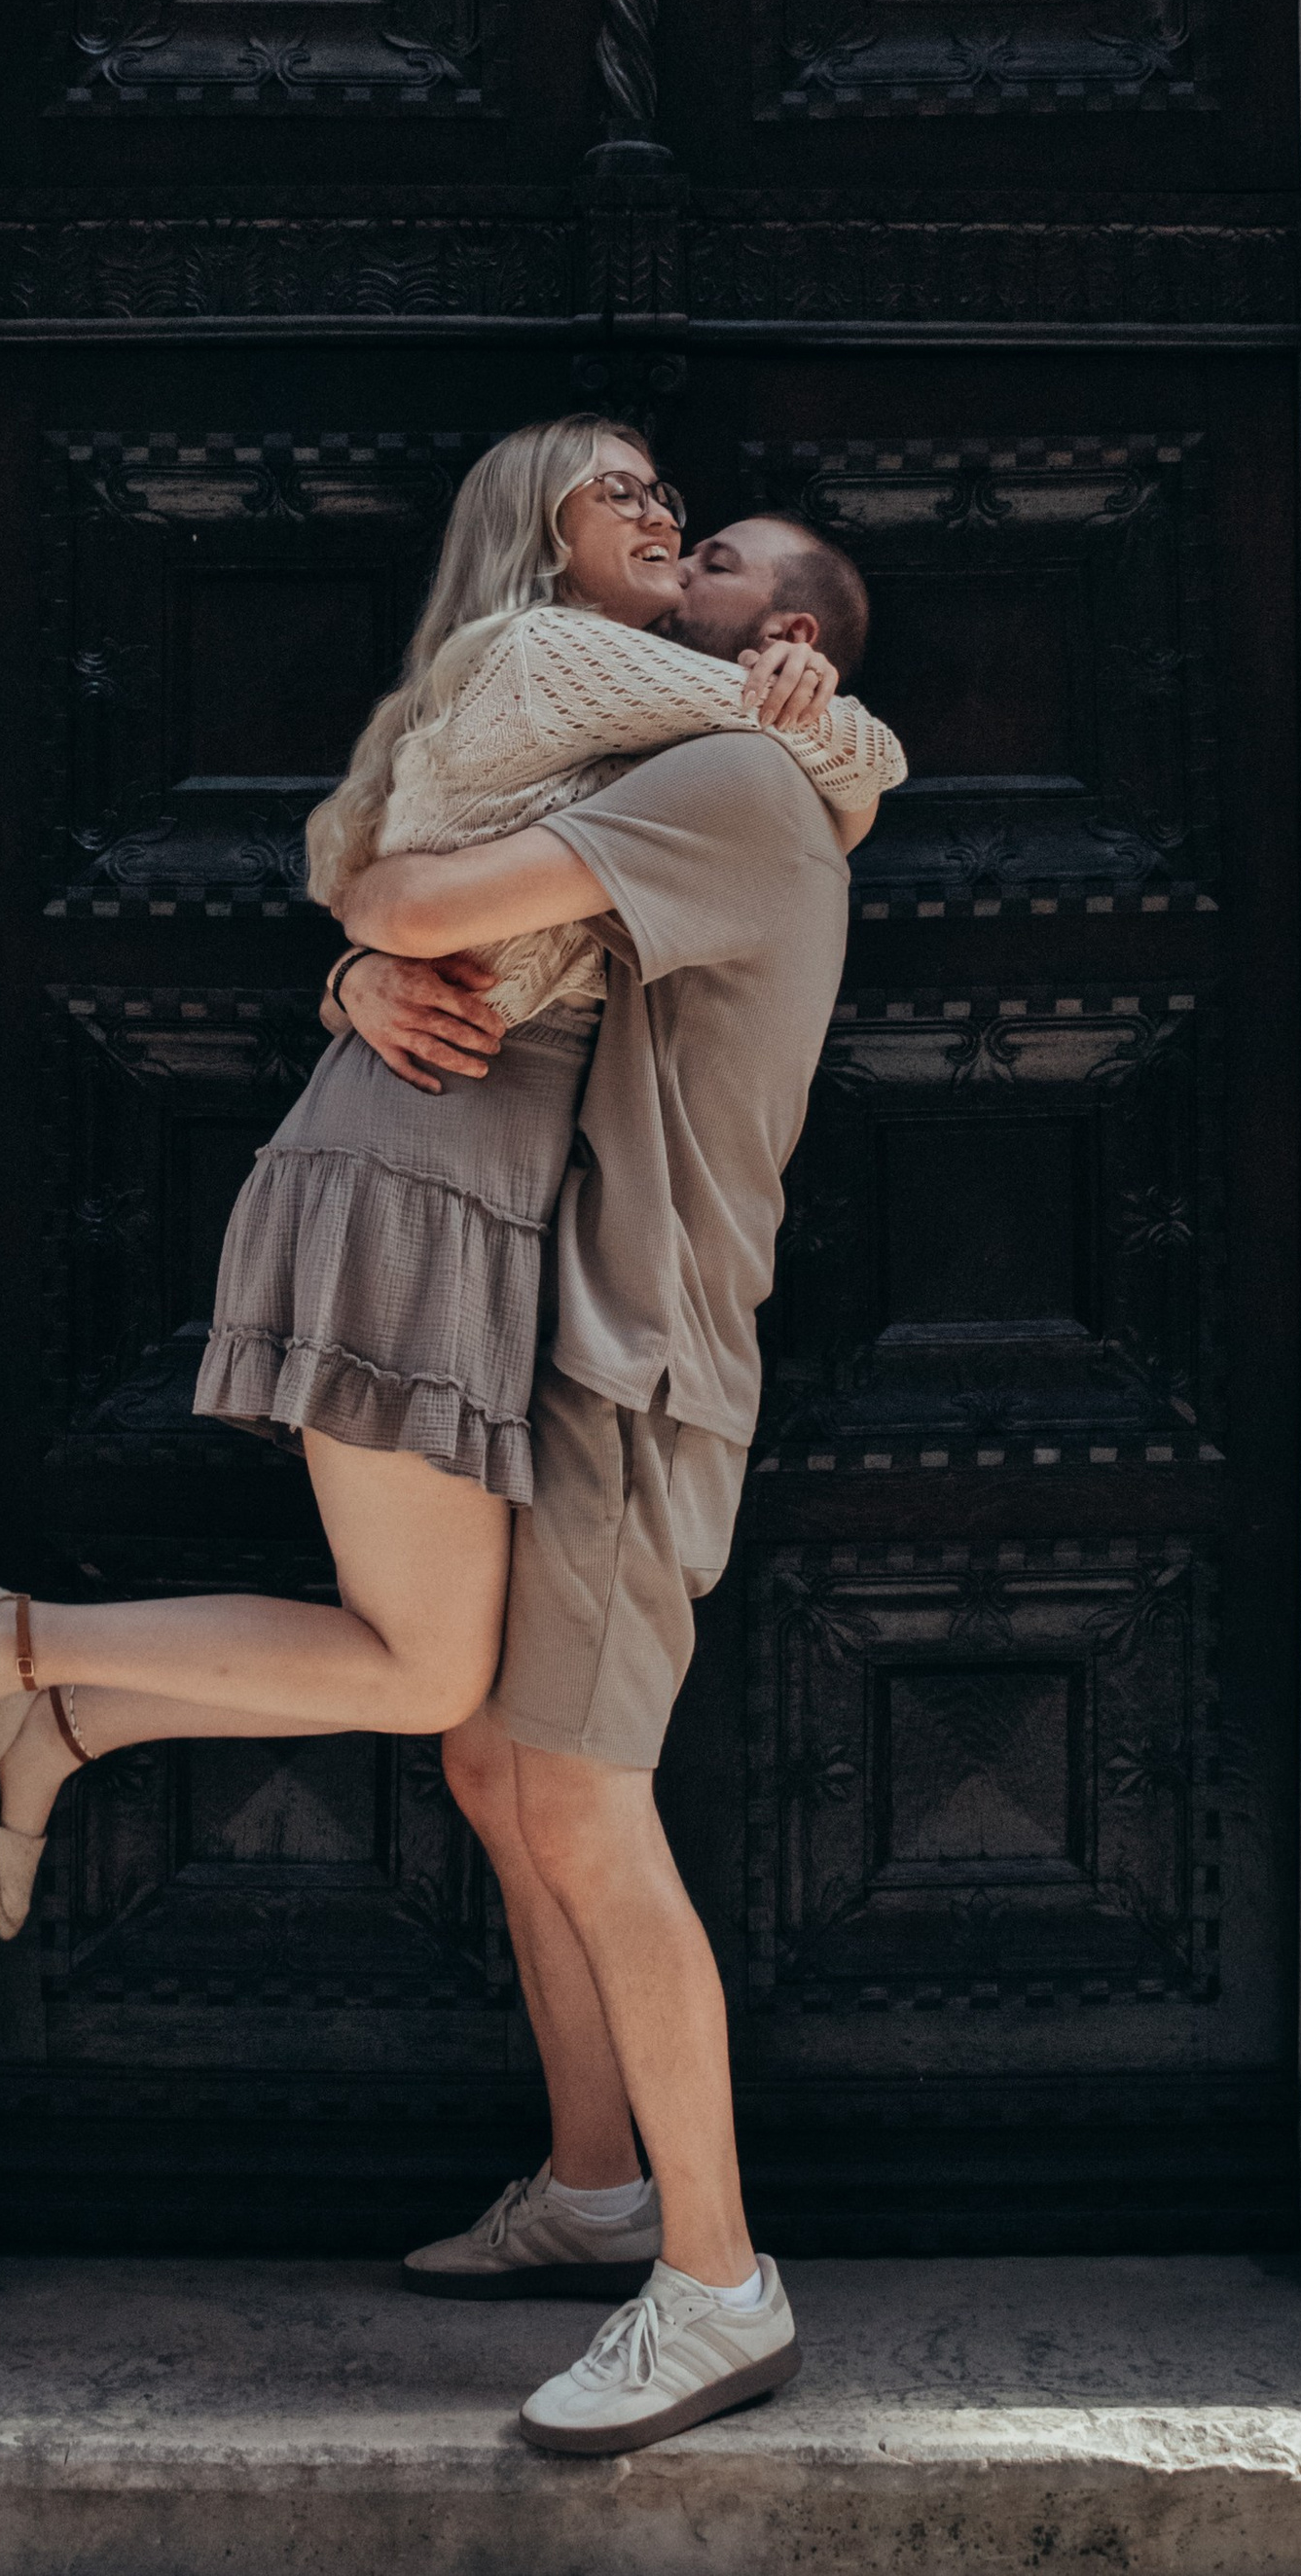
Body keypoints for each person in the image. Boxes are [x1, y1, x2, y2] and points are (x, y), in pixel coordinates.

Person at [0, 424, 901, 1952]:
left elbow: (418, 878)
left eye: (669, 495)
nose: (662, 512)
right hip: (428, 1165)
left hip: (470, 1174)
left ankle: (68, 1719)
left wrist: (360, 958)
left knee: (440, 1670)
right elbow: (848, 763)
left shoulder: (629, 738)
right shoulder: (559, 656)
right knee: (428, 1674)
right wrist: (834, 720)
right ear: (540, 538)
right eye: (617, 489)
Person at [327, 507, 883, 2454]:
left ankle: (717, 2284)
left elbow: (409, 896)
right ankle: (590, 2187)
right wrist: (353, 990)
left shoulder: (732, 777)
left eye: (713, 551)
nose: (673, 555)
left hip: (634, 1369)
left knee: (572, 1783)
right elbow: (474, 967)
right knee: (491, 1759)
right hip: (555, 1329)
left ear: (785, 627)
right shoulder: (707, 763)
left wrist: (368, 939)